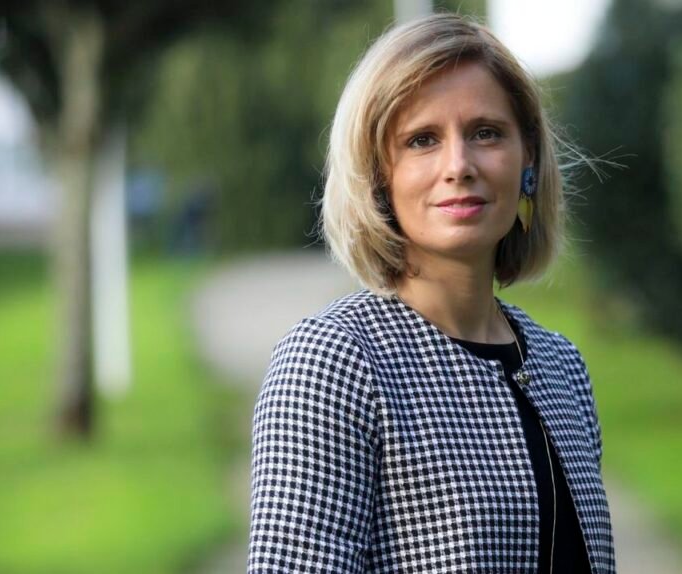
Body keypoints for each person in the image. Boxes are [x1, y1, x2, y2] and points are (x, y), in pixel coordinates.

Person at [247, 13, 615, 574]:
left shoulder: (561, 367)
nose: (459, 166)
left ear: (529, 159)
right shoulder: (334, 363)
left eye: (486, 133)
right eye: (422, 140)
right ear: (378, 175)